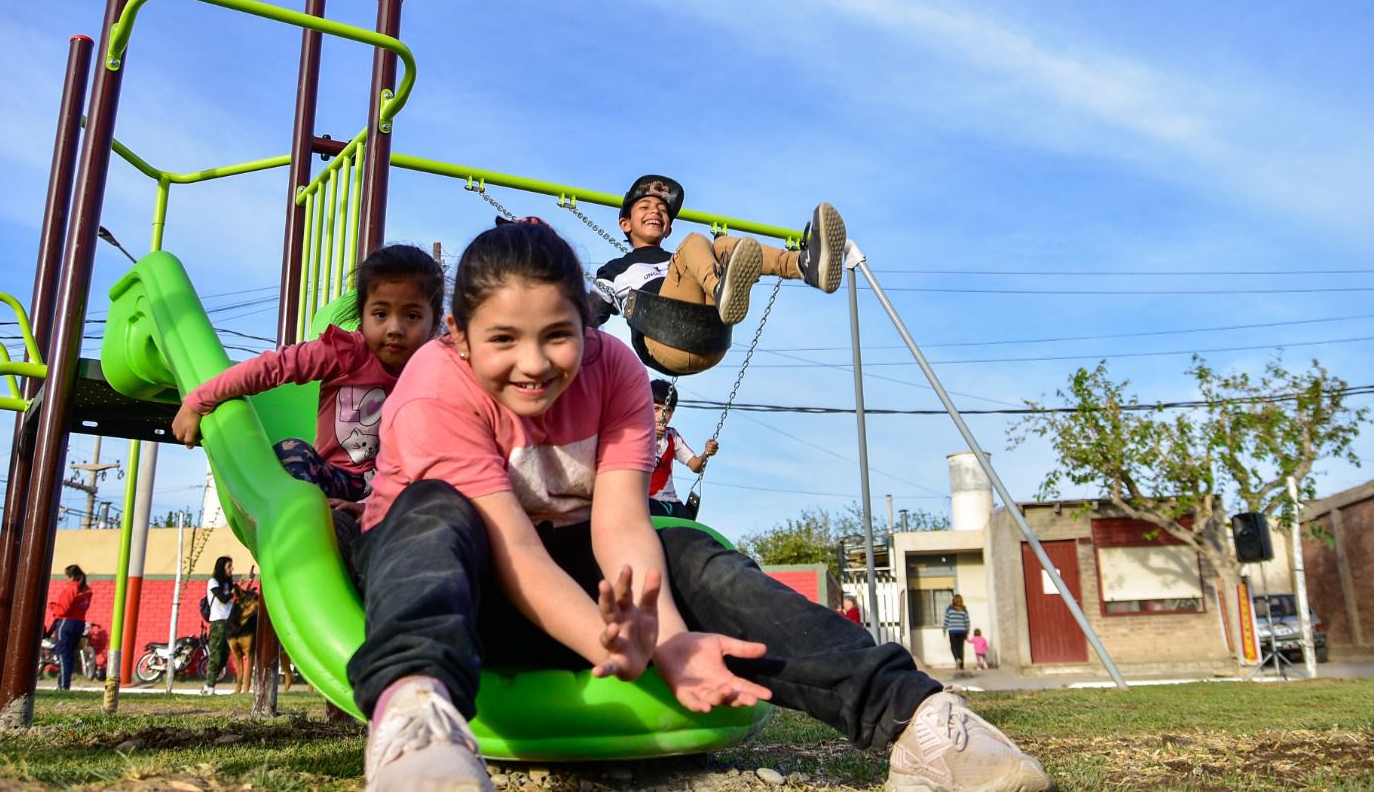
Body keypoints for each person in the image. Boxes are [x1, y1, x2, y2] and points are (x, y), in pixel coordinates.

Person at [348, 219, 1049, 792]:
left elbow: (621, 521)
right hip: (453, 583)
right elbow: (514, 551)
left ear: (586, 328)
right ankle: (417, 724)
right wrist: (621, 640)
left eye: (556, 334)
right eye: (503, 339)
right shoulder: (434, 386)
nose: (534, 362)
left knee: (686, 545)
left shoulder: (615, 370)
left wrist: (668, 635)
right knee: (437, 509)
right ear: (458, 337)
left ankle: (918, 721)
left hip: (572, 577)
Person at [173, 244, 443, 516]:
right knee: (292, 451)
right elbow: (273, 367)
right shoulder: (344, 352)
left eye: (412, 316)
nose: (395, 328)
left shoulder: (432, 377)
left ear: (434, 323)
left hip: (391, 492)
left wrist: (373, 506)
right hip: (333, 479)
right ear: (362, 314)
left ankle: (366, 520)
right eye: (381, 314)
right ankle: (316, 518)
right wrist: (199, 400)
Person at [590, 175, 845, 375]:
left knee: (720, 246)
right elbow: (586, 317)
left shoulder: (683, 260)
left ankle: (806, 265)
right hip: (663, 342)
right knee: (696, 241)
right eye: (644, 206)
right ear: (625, 223)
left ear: (669, 229)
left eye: (663, 210)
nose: (655, 212)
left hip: (710, 341)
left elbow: (699, 255)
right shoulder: (615, 270)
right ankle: (720, 289)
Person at [646, 379, 715, 519]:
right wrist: (649, 435)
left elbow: (696, 466)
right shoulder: (635, 432)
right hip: (644, 499)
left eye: (668, 411)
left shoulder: (672, 436)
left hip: (670, 502)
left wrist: (706, 453)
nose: (662, 416)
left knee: (690, 527)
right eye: (656, 409)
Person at [45, 564, 92, 690]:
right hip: (79, 623)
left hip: (66, 623)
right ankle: (64, 684)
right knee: (69, 656)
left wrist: (52, 606)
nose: (65, 579)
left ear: (71, 577)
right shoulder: (86, 590)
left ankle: (63, 686)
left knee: (63, 655)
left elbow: (63, 610)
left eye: (66, 576)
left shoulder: (71, 589)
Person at [203, 555, 239, 694]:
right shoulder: (213, 582)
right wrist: (232, 592)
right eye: (229, 566)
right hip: (218, 621)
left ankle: (208, 685)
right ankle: (210, 687)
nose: (232, 569)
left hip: (229, 621)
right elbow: (223, 599)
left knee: (224, 655)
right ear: (221, 567)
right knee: (215, 655)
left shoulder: (228, 583)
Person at [943, 594, 970, 672]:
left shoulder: (949, 608)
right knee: (961, 647)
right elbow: (967, 621)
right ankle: (961, 666)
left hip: (953, 630)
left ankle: (957, 659)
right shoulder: (964, 609)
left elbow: (946, 619)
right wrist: (967, 631)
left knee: (953, 647)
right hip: (962, 631)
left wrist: (944, 629)